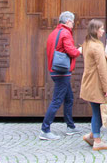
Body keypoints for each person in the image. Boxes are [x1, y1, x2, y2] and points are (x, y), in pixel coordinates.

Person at [40, 11, 82, 140]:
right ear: (68, 21)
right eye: (73, 22)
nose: (73, 24)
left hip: (55, 70)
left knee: (69, 98)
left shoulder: (54, 33)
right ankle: (45, 130)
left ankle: (70, 126)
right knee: (57, 100)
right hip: (62, 72)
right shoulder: (65, 33)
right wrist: (79, 50)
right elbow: (71, 52)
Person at [80, 19, 107, 151]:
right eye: (101, 29)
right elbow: (102, 70)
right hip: (96, 84)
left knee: (96, 111)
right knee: (98, 112)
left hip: (89, 82)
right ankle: (97, 140)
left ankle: (92, 135)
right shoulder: (97, 46)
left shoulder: (87, 43)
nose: (103, 31)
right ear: (95, 30)